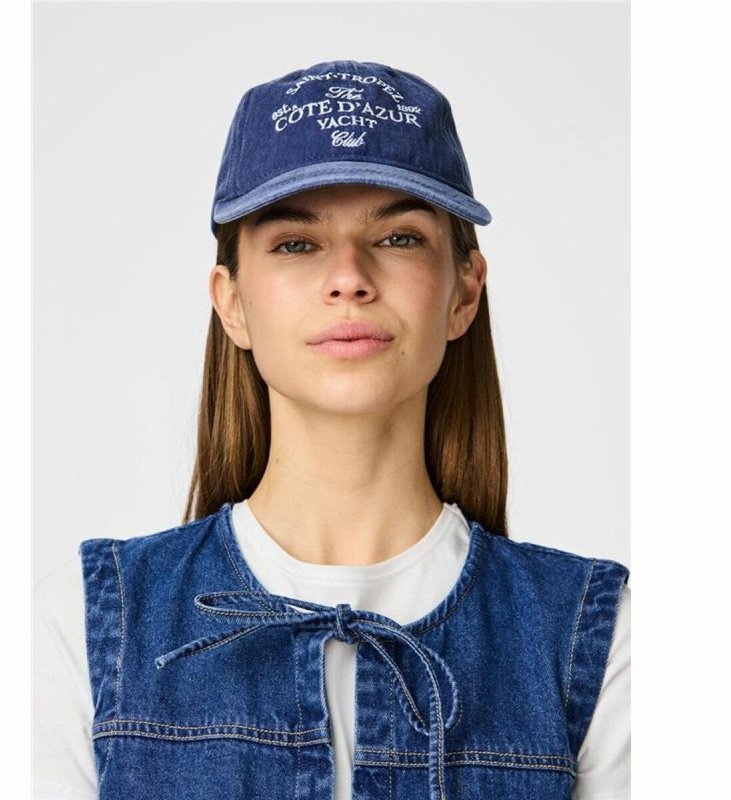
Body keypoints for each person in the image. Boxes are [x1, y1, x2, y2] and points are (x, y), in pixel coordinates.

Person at [34, 60, 630, 800]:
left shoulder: (600, 642)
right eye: (296, 243)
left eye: (399, 238)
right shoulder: (82, 628)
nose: (349, 277)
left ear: (464, 292)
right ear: (232, 302)